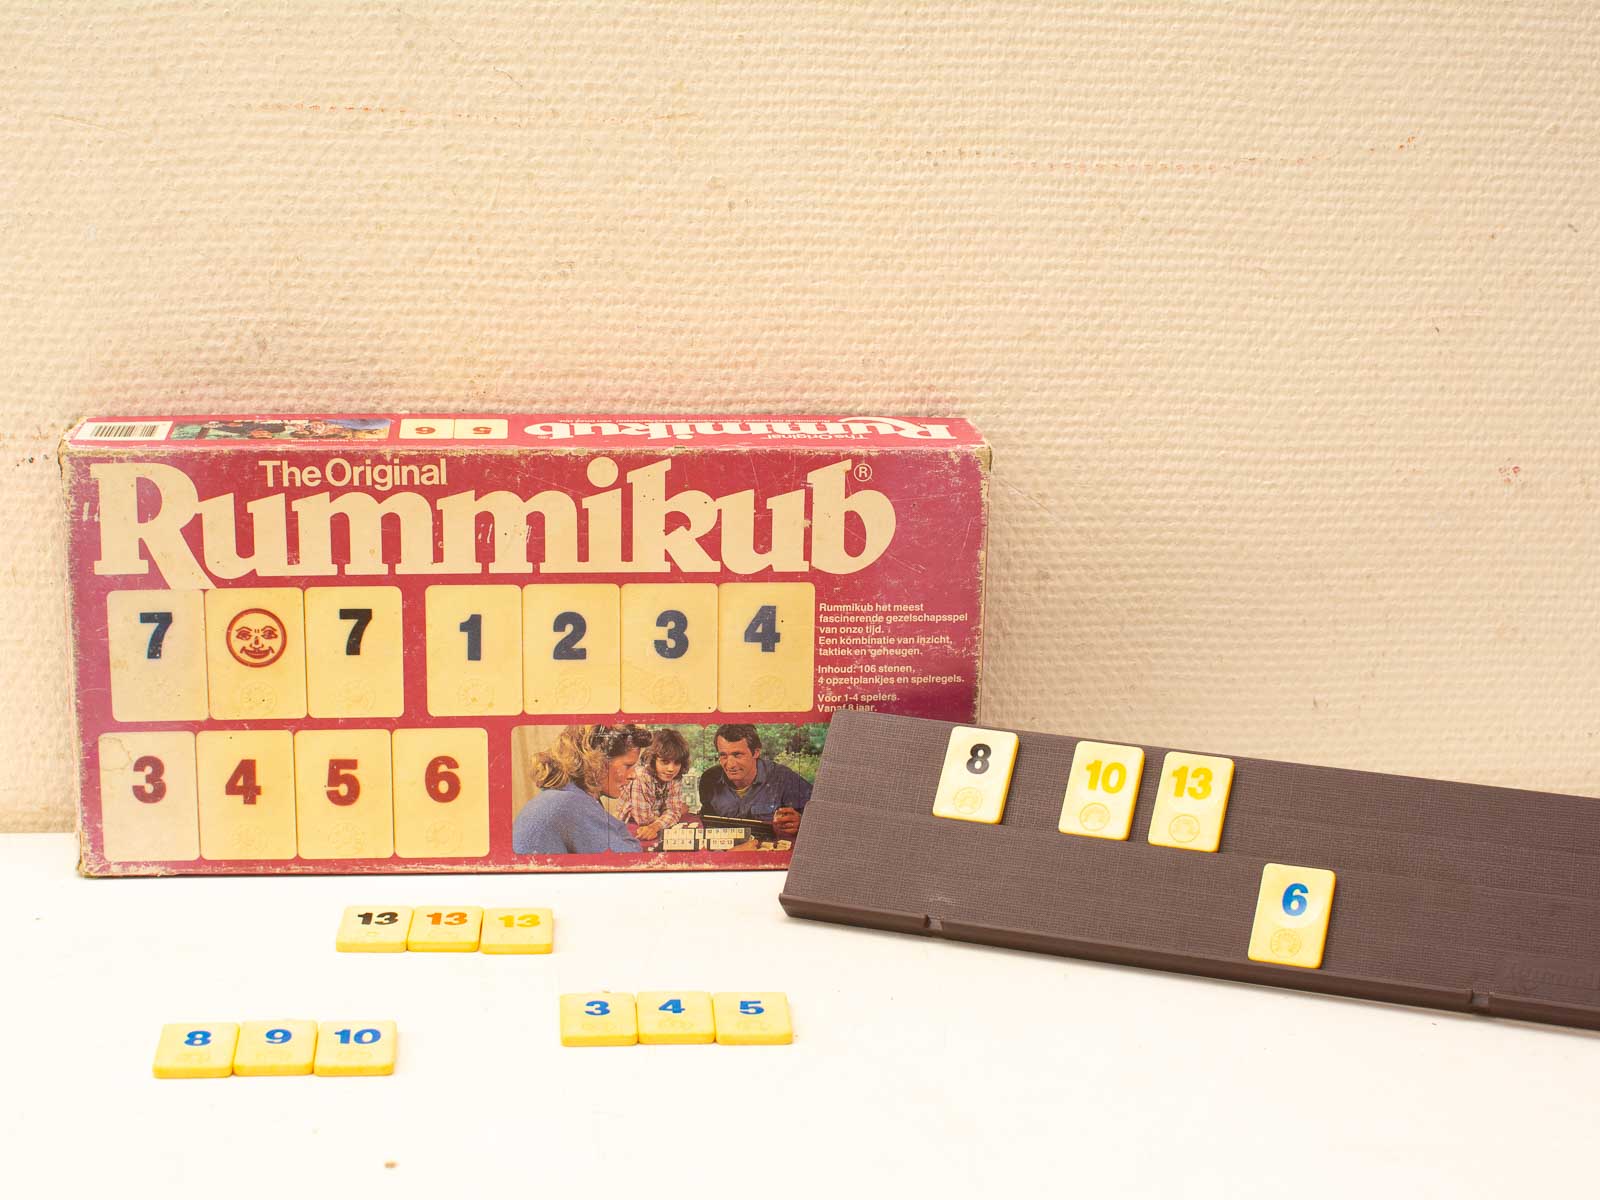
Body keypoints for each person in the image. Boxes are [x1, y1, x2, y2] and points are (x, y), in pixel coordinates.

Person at [512, 724, 651, 854]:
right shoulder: (570, 803)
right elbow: (631, 857)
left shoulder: (563, 795)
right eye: (628, 766)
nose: (633, 775)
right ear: (597, 761)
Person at [698, 724, 811, 838]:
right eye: (723, 756)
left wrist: (802, 822)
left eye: (737, 755)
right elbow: (706, 823)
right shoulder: (709, 779)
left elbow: (821, 814)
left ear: (756, 752)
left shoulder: (783, 777)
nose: (730, 764)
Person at [619, 728, 694, 846]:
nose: (671, 769)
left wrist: (671, 814)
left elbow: (674, 811)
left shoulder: (674, 777)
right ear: (653, 760)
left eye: (677, 763)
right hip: (629, 829)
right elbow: (644, 819)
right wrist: (675, 812)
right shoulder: (640, 777)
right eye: (665, 762)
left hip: (653, 828)